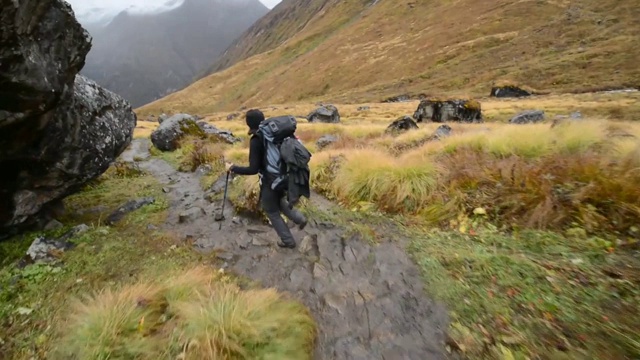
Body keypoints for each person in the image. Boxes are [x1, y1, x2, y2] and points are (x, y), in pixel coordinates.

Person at [225, 109, 308, 249]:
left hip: (271, 181)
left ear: (248, 123)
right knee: (279, 201)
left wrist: (232, 168)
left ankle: (288, 241)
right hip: (285, 176)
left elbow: (253, 169)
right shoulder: (276, 134)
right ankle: (300, 219)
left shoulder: (257, 140)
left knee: (271, 210)